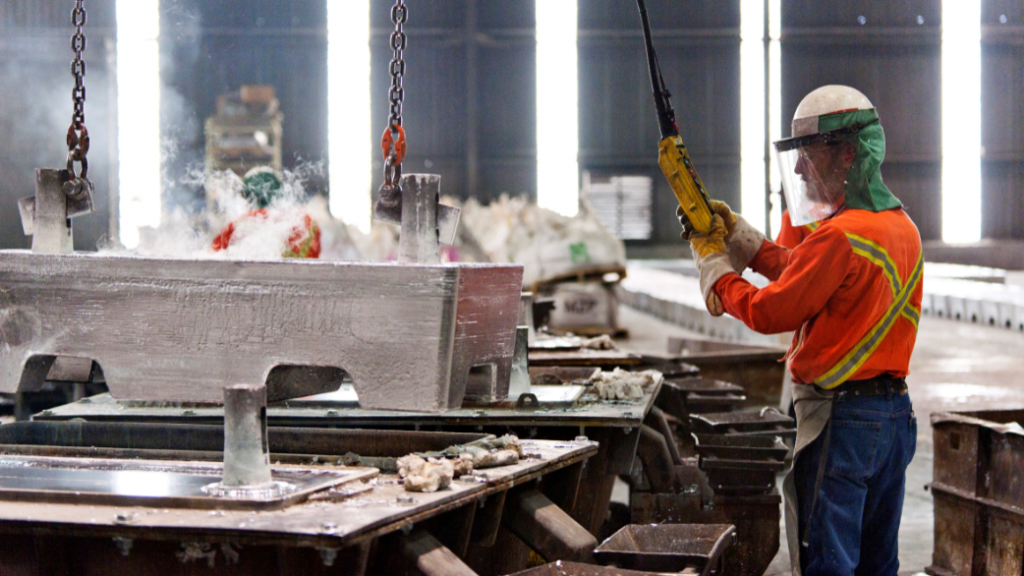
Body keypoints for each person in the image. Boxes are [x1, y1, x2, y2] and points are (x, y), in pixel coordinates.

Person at [679, 85, 921, 575]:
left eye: (808, 155)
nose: (798, 171)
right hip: (894, 417)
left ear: (847, 154)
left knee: (828, 561)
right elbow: (806, 272)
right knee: (878, 562)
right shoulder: (900, 227)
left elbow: (770, 311)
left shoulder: (839, 236)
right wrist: (741, 237)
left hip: (844, 421)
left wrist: (714, 268)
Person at [211, 167, 321, 258]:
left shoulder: (235, 226)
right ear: (279, 192)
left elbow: (211, 258)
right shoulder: (305, 221)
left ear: (247, 196)